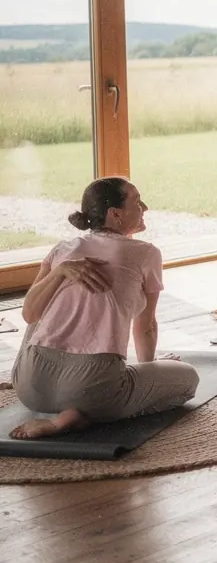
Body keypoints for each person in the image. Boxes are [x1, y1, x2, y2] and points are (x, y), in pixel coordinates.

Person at [9, 178, 199, 440]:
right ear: (115, 214)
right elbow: (145, 327)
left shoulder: (63, 248)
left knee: (41, 308)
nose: (145, 207)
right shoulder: (146, 253)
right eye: (137, 201)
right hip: (91, 392)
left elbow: (29, 316)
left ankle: (64, 414)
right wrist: (150, 370)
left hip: (30, 389)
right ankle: (80, 418)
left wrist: (59, 272)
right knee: (188, 380)